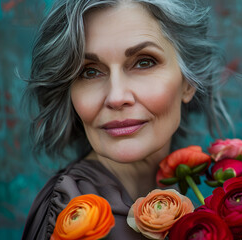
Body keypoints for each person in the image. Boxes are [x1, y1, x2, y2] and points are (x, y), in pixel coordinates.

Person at [22, 0, 231, 239]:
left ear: (188, 82)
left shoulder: (183, 199)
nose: (116, 97)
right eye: (89, 71)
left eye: (144, 62)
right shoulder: (67, 212)